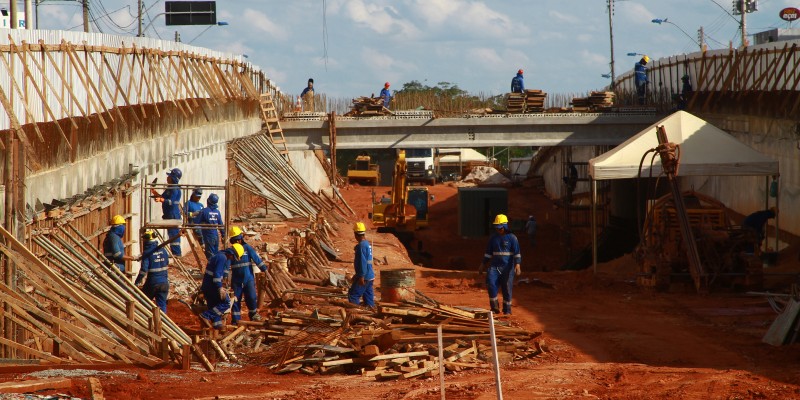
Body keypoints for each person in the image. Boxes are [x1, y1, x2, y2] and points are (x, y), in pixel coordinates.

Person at [479, 214, 521, 315]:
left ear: (505, 226)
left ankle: (507, 310)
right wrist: (482, 264)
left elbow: (517, 253)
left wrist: (518, 265)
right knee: (491, 283)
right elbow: (488, 253)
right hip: (494, 267)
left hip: (507, 268)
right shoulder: (493, 238)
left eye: (500, 228)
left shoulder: (512, 238)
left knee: (506, 288)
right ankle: (494, 308)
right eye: (497, 228)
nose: (498, 230)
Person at [228, 226, 268, 324]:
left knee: (251, 297)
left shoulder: (247, 248)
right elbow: (226, 265)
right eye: (235, 239)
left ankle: (253, 315)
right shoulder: (231, 251)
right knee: (236, 299)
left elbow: (257, 259)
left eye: (238, 239)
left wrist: (265, 270)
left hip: (248, 278)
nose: (237, 241)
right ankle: (236, 320)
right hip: (236, 280)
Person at [199, 243, 244, 330]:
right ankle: (205, 315)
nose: (232, 259)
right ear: (231, 254)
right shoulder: (222, 258)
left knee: (214, 305)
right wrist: (220, 287)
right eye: (233, 257)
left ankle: (217, 325)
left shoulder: (220, 255)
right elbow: (217, 274)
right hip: (212, 286)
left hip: (207, 285)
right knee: (226, 303)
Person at [135, 230, 170, 314]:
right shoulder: (164, 251)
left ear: (146, 240)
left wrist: (137, 282)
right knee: (162, 305)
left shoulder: (147, 253)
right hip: (164, 283)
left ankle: (143, 322)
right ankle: (163, 324)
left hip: (152, 283)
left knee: (144, 302)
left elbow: (143, 270)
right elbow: (166, 263)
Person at [152, 168, 183, 256]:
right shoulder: (170, 188)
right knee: (171, 234)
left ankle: (177, 253)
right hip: (168, 214)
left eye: (169, 176)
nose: (167, 177)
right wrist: (155, 193)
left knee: (174, 234)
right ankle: (175, 252)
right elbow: (163, 197)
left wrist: (161, 200)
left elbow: (171, 201)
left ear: (173, 177)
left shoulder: (175, 189)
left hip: (173, 214)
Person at [348, 222, 375, 308]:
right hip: (370, 275)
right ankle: (371, 313)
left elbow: (362, 262)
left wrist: (361, 276)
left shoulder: (361, 246)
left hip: (365, 276)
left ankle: (355, 313)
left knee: (353, 295)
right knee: (368, 298)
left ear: (355, 234)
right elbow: (369, 262)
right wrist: (357, 275)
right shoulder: (367, 244)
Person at [198, 193, 224, 259]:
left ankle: (212, 268)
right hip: (215, 236)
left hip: (208, 236)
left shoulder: (204, 211)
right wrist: (223, 235)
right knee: (215, 253)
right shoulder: (217, 212)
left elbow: (195, 222)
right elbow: (221, 225)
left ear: (208, 201)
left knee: (210, 256)